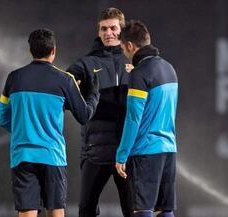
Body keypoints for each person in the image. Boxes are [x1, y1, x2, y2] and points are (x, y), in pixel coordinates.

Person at [0, 28, 99, 217]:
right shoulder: (64, 80)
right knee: (55, 211)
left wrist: (24, 131)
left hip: (23, 156)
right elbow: (84, 116)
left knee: (27, 213)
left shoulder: (14, 78)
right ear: (53, 50)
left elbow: (2, 118)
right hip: (52, 157)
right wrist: (93, 94)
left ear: (30, 51)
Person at [66, 7, 131, 217]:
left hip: (127, 151)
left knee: (132, 210)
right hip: (95, 151)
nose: (108, 33)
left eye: (113, 28)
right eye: (103, 29)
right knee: (86, 209)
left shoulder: (134, 61)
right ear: (98, 31)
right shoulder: (86, 63)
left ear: (122, 30)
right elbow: (66, 85)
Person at [115, 20, 178, 217]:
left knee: (143, 209)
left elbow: (133, 118)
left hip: (145, 152)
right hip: (168, 150)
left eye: (123, 48)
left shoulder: (139, 74)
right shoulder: (169, 69)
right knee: (164, 210)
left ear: (130, 46)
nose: (124, 53)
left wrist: (122, 155)